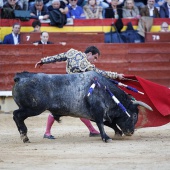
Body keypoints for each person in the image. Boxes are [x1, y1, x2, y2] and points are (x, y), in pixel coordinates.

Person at [35, 46, 124, 139]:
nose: (95, 60)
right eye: (95, 57)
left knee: (80, 109)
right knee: (57, 109)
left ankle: (92, 130)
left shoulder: (72, 52)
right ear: (89, 53)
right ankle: (47, 132)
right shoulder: (87, 65)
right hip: (72, 91)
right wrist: (116, 75)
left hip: (65, 87)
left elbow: (58, 57)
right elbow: (100, 73)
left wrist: (43, 61)